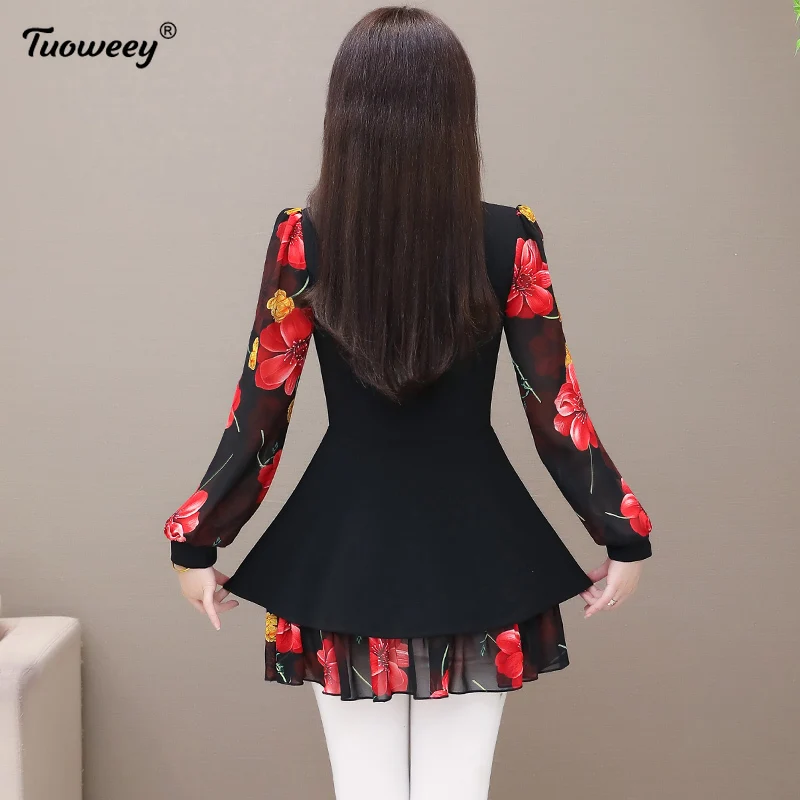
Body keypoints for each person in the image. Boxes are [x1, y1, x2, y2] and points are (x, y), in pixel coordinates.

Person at [162, 6, 653, 800]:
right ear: (457, 115)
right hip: (480, 545)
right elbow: (553, 404)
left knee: (363, 789)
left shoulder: (303, 238)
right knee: (460, 788)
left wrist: (199, 539)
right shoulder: (510, 239)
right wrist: (622, 533)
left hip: (340, 548)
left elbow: (263, 404)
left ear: (344, 115)